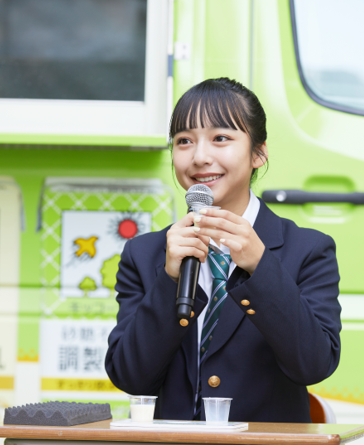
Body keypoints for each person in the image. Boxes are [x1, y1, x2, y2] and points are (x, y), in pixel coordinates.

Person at [105, 78, 341, 423]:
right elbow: (130, 377)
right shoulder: (144, 254)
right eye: (184, 141)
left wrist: (261, 268)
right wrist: (170, 280)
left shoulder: (308, 250)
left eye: (220, 138)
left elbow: (315, 365)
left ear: (258, 153)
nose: (200, 157)